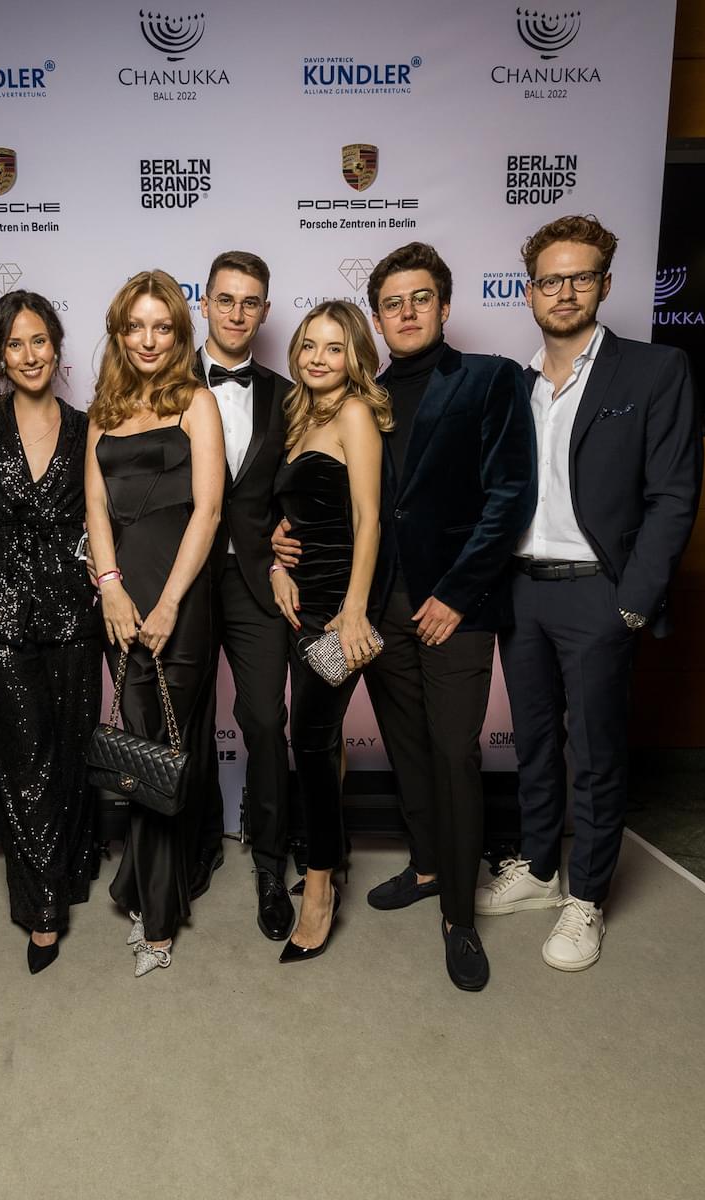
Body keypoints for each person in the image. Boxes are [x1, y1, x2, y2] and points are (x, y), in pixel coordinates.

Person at [277, 242, 535, 993]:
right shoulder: (367, 395)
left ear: (445, 306)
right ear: (379, 319)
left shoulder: (489, 378)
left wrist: (457, 593)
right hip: (375, 610)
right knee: (407, 746)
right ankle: (425, 867)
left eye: (421, 298)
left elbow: (509, 494)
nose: (408, 312)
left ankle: (459, 914)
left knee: (454, 753)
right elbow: (350, 506)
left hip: (454, 606)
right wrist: (281, 542)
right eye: (393, 303)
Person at [477, 215, 702, 972]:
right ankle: (541, 869)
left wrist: (633, 600)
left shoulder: (653, 370)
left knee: (597, 754)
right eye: (550, 280)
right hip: (520, 589)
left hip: (597, 593)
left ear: (605, 284)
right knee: (534, 742)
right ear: (529, 292)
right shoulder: (512, 384)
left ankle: (588, 897)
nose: (564, 292)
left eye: (580, 277)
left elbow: (674, 495)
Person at [85, 269, 224, 977]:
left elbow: (209, 509)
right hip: (120, 597)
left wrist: (169, 602)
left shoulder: (197, 402)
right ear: (119, 333)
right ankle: (149, 883)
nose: (147, 340)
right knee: (139, 747)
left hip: (181, 598)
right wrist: (110, 587)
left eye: (161, 327)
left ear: (178, 333)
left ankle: (159, 915)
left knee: (165, 745)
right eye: (135, 326)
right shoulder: (103, 410)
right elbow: (95, 508)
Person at [0, 290, 100, 974]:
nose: (29, 354)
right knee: (23, 758)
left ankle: (72, 868)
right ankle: (42, 906)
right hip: (2, 608)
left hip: (75, 608)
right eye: (14, 344)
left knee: (71, 749)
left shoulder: (88, 426)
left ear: (57, 346)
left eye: (38, 340)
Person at [267, 301, 391, 963]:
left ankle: (318, 890)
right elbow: (302, 516)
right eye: (310, 345)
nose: (318, 358)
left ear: (354, 357)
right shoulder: (301, 415)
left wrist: (354, 610)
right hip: (303, 603)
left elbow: (368, 519)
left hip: (337, 608)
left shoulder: (353, 414)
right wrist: (276, 559)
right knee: (324, 740)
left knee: (311, 744)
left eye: (334, 348)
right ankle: (332, 858)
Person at [193, 250, 295, 940]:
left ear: (264, 311)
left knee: (263, 720)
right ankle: (195, 847)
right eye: (225, 299)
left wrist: (294, 536)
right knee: (189, 720)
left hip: (260, 578)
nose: (236, 313)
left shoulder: (288, 394)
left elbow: (313, 477)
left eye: (250, 301)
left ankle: (269, 862)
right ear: (203, 303)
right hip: (183, 576)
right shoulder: (163, 383)